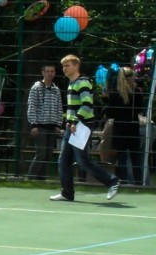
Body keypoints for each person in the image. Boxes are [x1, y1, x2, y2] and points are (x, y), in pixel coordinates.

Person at [50, 54, 120, 201]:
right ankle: (67, 193)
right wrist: (69, 122)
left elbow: (87, 105)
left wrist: (75, 122)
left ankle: (112, 181)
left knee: (83, 161)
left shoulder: (82, 82)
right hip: (73, 126)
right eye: (63, 66)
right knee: (64, 160)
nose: (64, 69)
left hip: (81, 126)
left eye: (67, 65)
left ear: (76, 66)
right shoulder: (71, 83)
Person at [26, 64, 63, 180]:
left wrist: (58, 124)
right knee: (41, 154)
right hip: (40, 126)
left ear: (55, 73)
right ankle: (30, 178)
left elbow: (59, 108)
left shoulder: (56, 89)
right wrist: (34, 125)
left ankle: (41, 179)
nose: (50, 73)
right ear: (43, 72)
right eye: (47, 71)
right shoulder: (36, 87)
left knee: (48, 154)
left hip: (52, 127)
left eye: (52, 71)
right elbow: (32, 106)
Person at [107, 66, 143, 185]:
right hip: (132, 127)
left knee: (121, 157)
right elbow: (139, 109)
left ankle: (122, 181)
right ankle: (138, 182)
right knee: (135, 158)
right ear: (130, 78)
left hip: (120, 128)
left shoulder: (114, 93)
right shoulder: (136, 92)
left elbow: (110, 113)